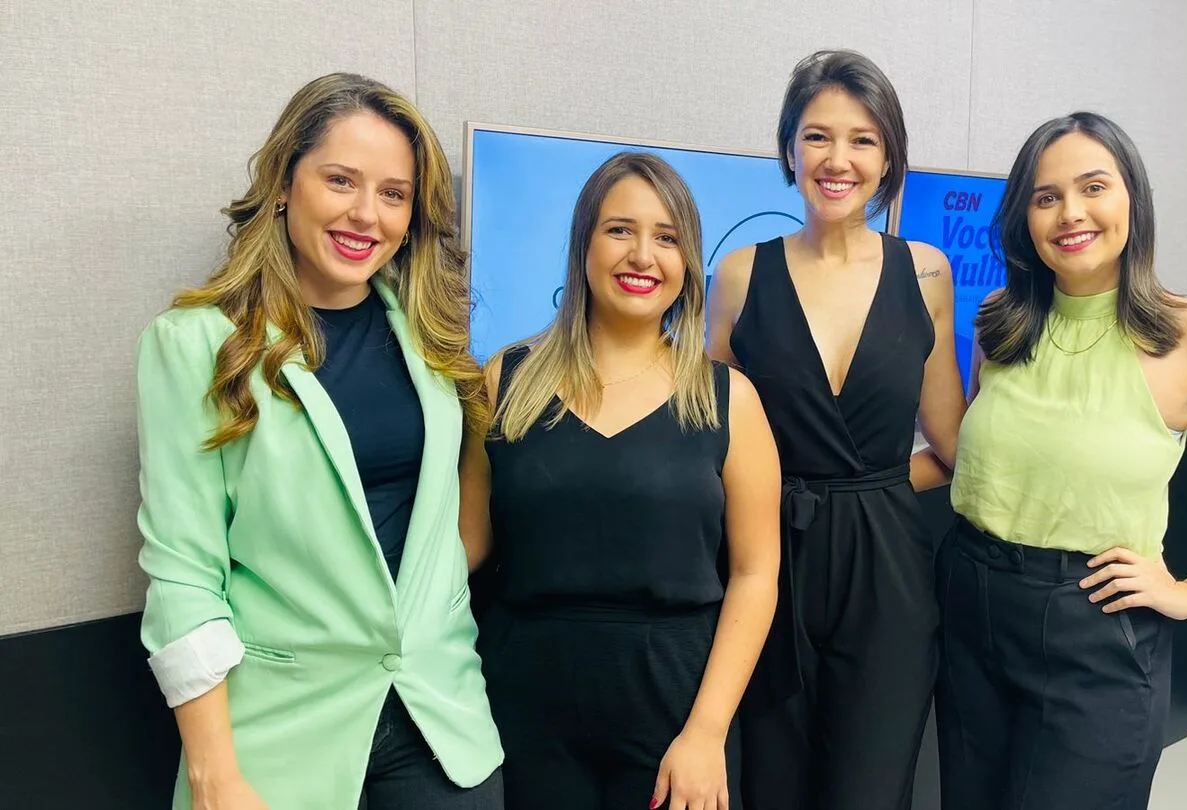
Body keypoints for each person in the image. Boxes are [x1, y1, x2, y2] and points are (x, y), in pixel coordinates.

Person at [935, 111, 1187, 810]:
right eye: (1046, 196)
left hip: (1094, 624)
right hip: (971, 601)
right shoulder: (1001, 322)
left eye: (1094, 187)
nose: (1072, 213)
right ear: (1023, 218)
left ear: (1133, 200)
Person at [134, 73, 504, 810]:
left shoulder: (433, 340)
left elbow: (457, 532)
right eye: (341, 180)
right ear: (283, 184)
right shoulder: (198, 344)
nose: (366, 214)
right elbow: (183, 574)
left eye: (393, 194)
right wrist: (215, 776)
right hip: (276, 747)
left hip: (443, 735)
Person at [464, 151, 781, 810]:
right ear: (584, 246)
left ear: (688, 263)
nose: (643, 255)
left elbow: (756, 576)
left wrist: (707, 734)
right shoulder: (505, 381)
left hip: (674, 719)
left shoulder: (730, 400)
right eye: (619, 230)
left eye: (666, 238)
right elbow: (463, 548)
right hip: (523, 713)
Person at [706, 49, 967, 810]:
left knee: (870, 791)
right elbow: (710, 434)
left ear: (889, 157)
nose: (838, 159)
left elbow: (950, 450)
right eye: (818, 136)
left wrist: (866, 490)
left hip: (888, 573)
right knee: (770, 785)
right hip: (765, 564)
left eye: (863, 139)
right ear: (789, 148)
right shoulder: (741, 275)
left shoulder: (925, 271)